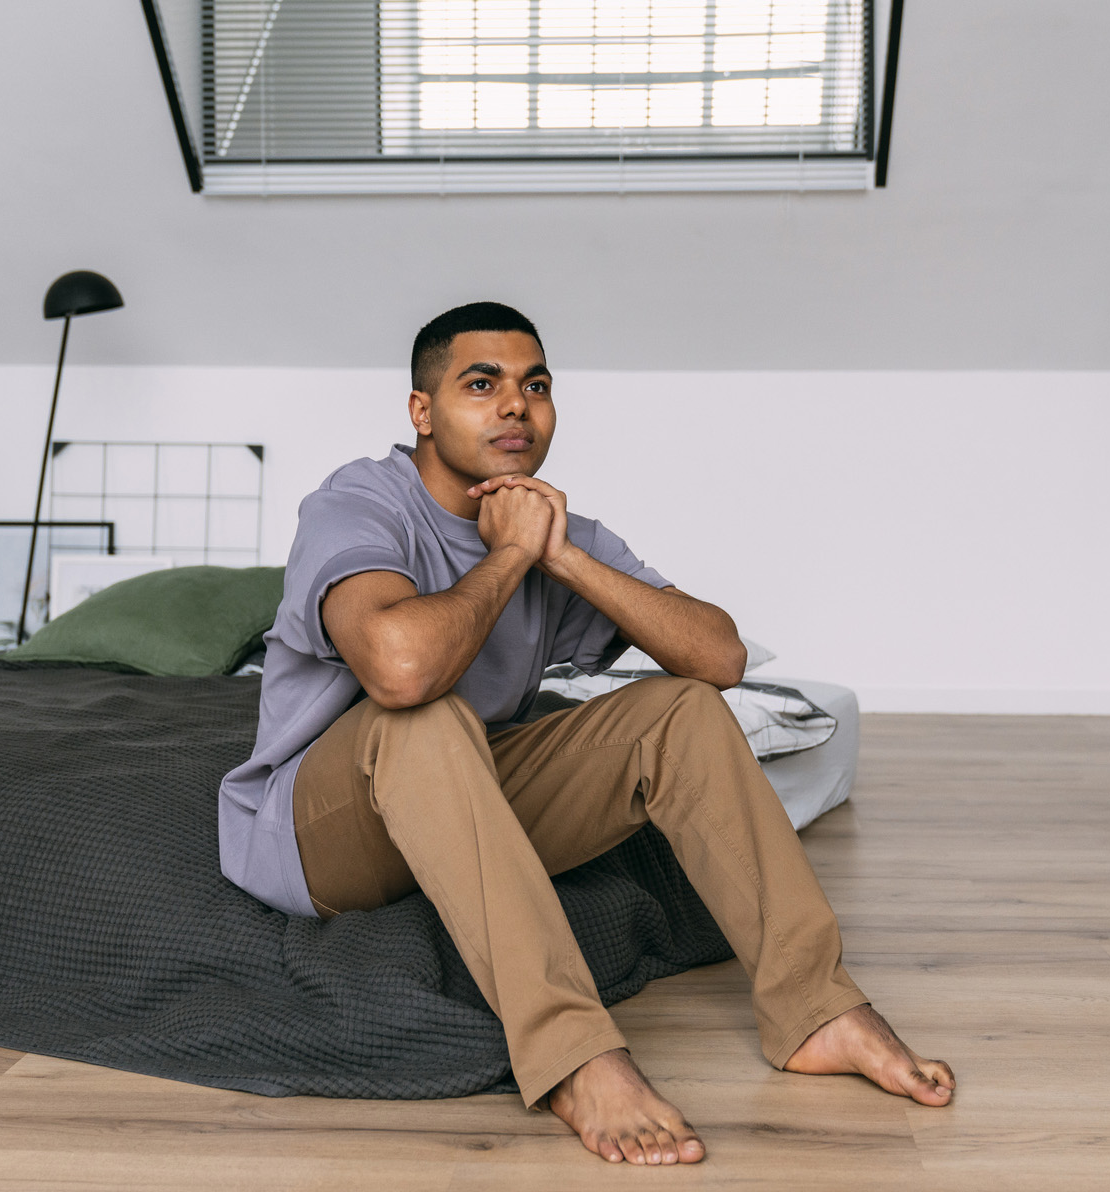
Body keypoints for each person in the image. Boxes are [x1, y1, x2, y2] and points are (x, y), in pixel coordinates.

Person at [219, 302, 953, 1165]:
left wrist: (558, 556)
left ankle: (817, 1010)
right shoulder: (357, 503)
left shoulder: (553, 529)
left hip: (464, 791)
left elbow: (719, 656)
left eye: (536, 387)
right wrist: (507, 561)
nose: (515, 408)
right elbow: (401, 673)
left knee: (677, 713)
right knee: (422, 718)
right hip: (317, 831)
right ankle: (576, 1058)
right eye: (481, 384)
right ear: (421, 412)